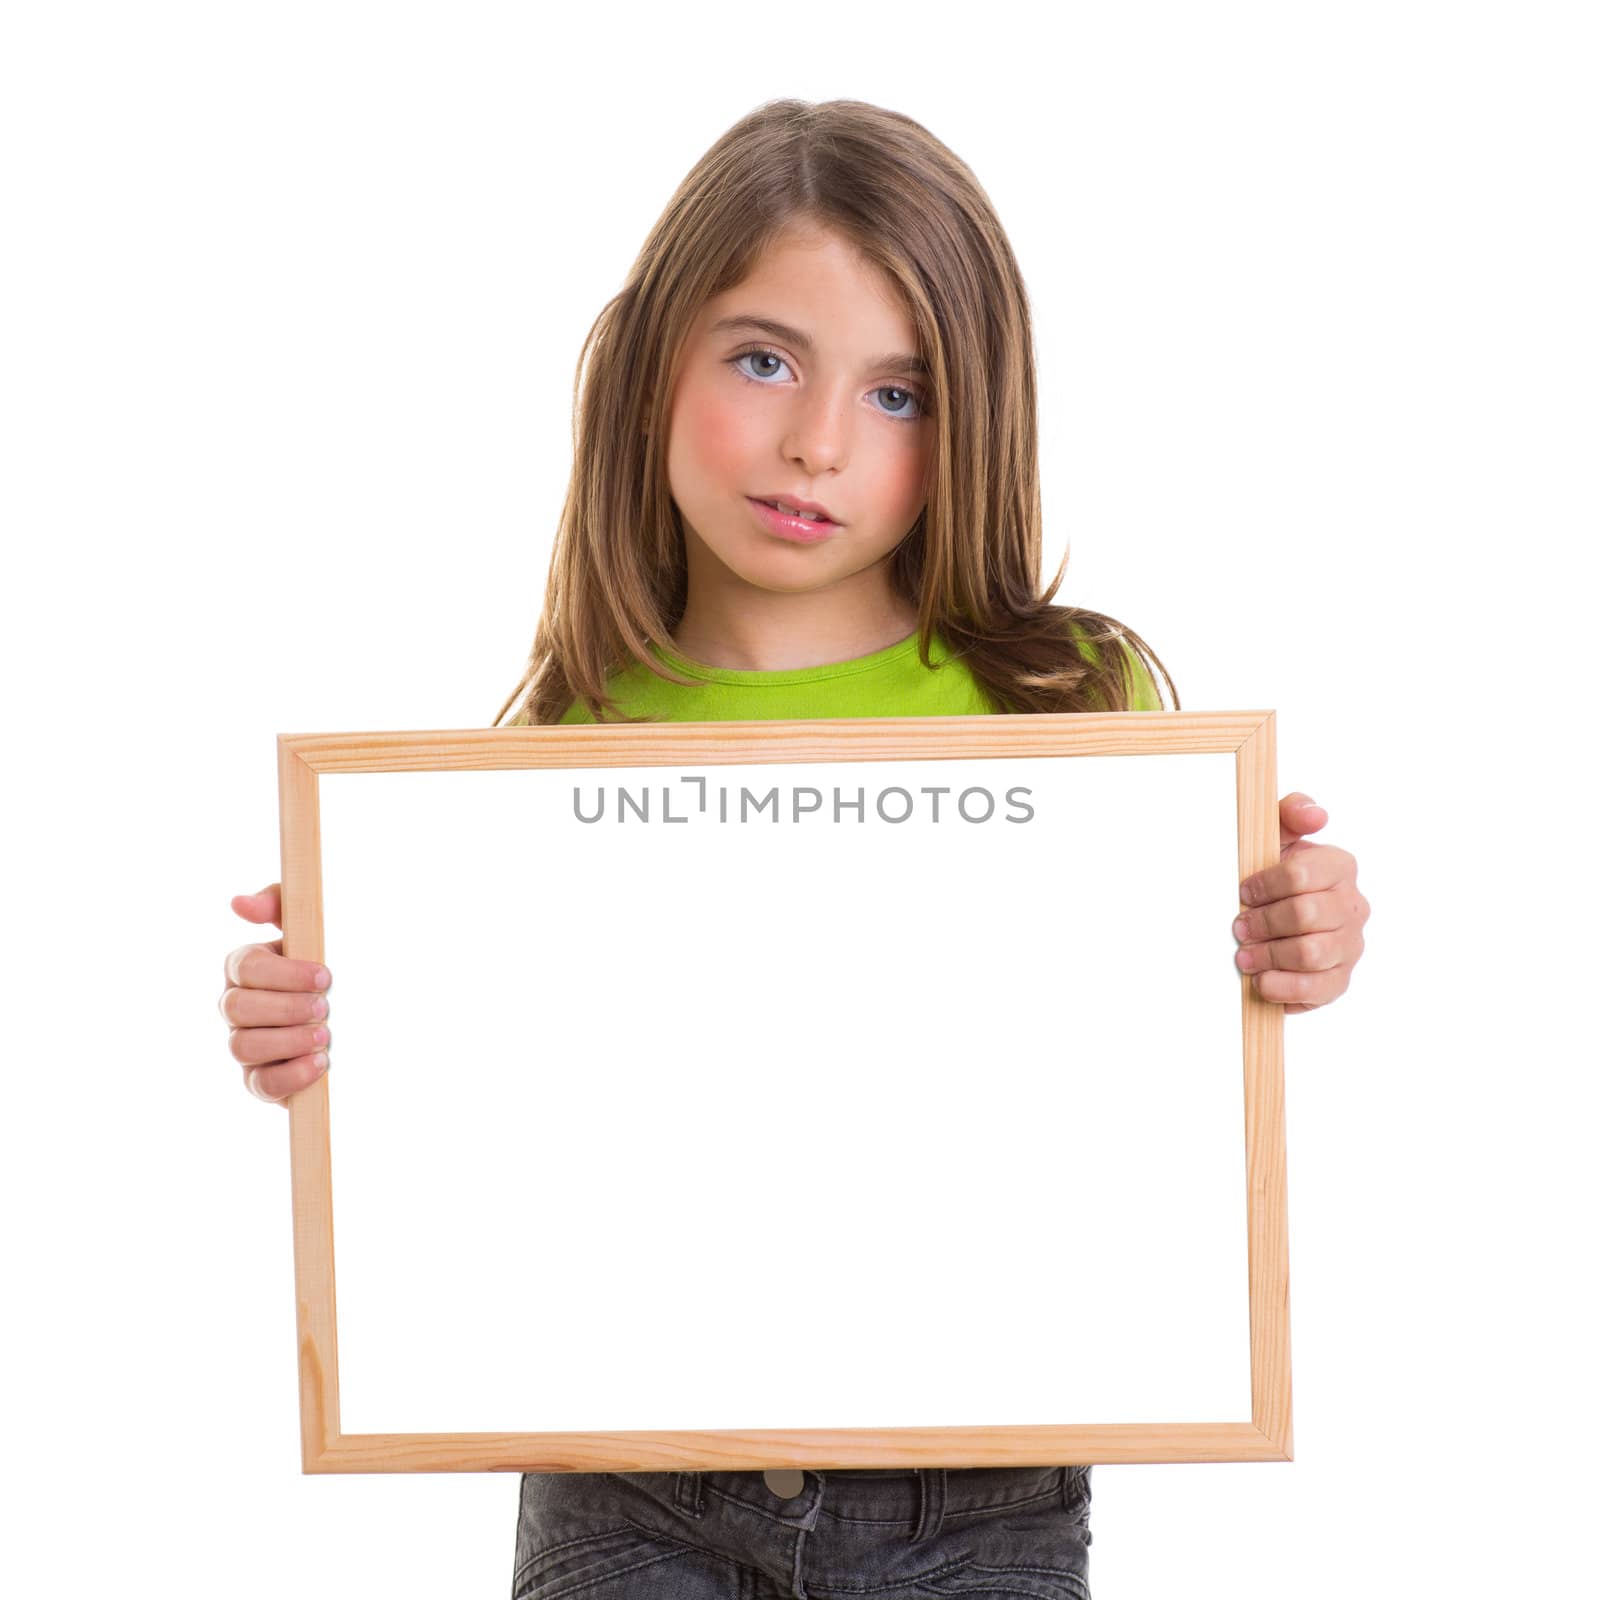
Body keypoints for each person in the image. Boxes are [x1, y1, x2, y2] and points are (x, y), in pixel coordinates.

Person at [219, 97, 1369, 1600]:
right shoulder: (556, 746)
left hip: (981, 1496)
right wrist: (316, 1034)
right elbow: (509, 1126)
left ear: (974, 423)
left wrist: (1292, 938)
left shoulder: (1079, 702)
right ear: (649, 372)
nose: (817, 442)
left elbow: (1147, 1052)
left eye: (899, 395)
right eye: (763, 360)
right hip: (625, 1490)